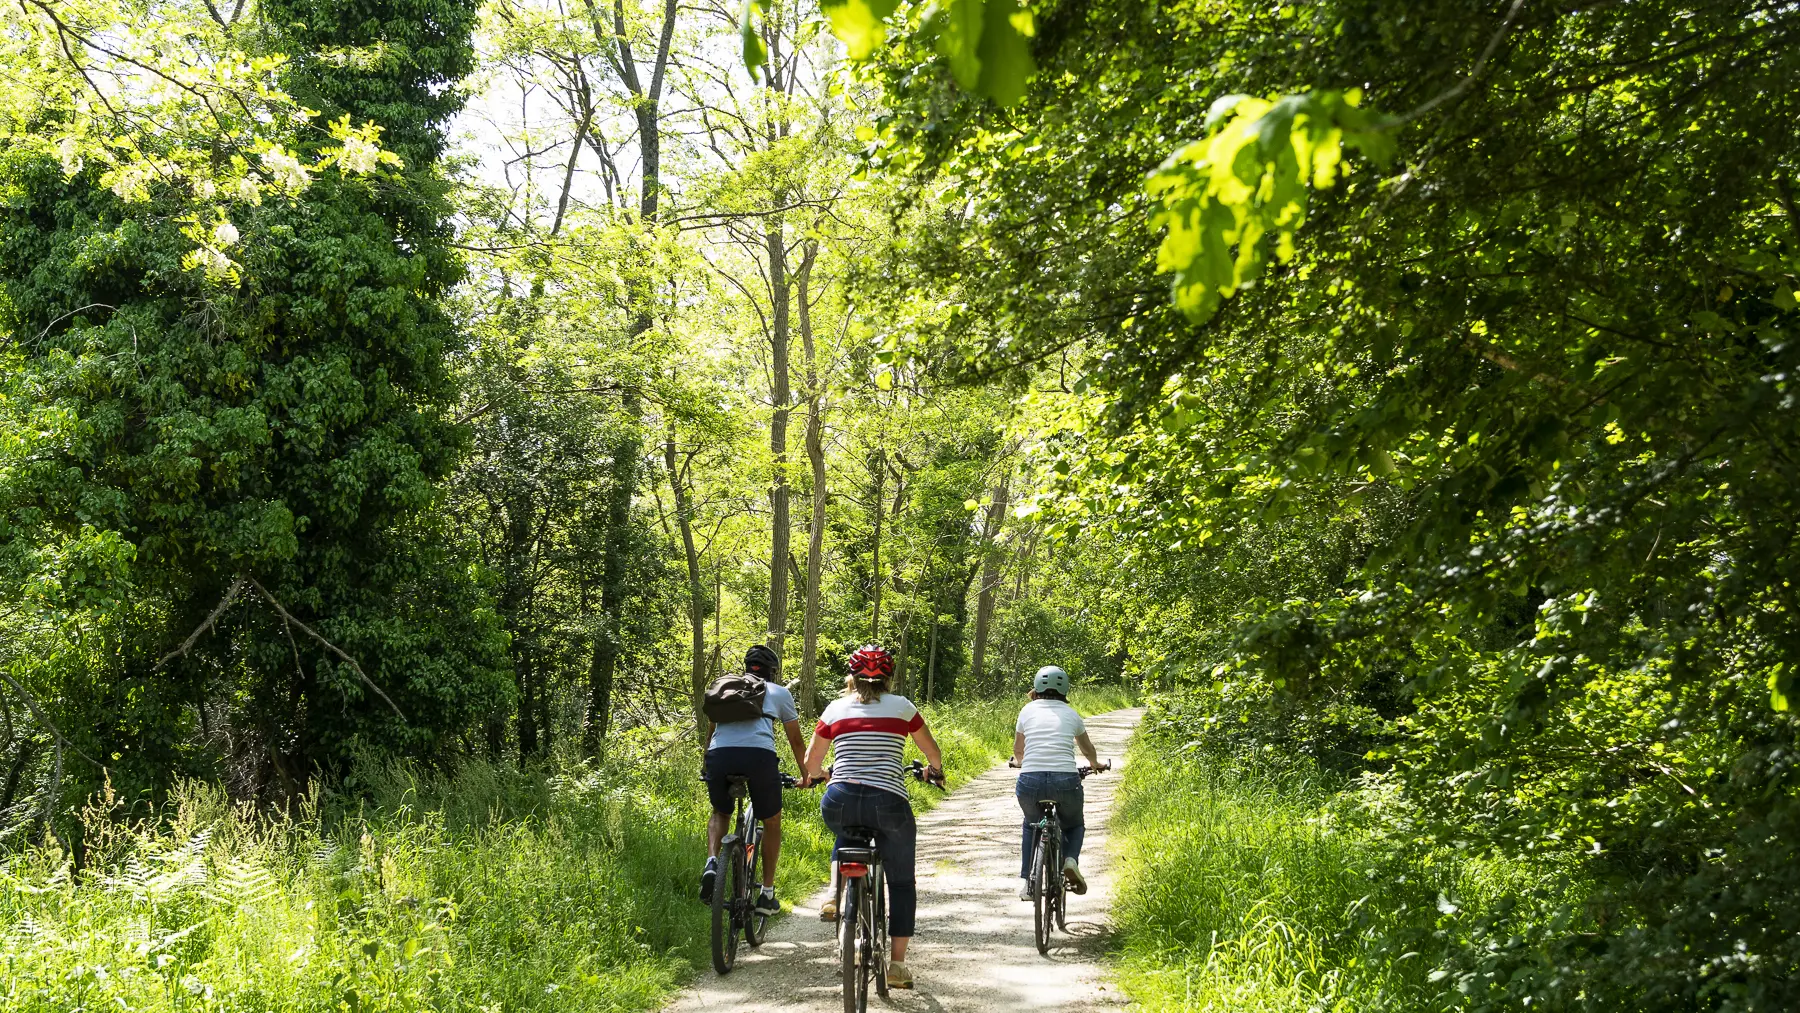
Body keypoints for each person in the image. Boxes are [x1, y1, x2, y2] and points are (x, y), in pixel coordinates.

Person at [802, 644, 943, 991]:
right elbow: (932, 751)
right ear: (889, 678)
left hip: (840, 799)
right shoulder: (903, 708)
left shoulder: (835, 709)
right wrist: (934, 771)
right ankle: (896, 965)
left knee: (846, 831)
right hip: (889, 802)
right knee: (900, 881)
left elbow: (810, 763)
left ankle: (836, 894)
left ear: (851, 678)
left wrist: (821, 774)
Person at [701, 643, 806, 917]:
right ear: (773, 671)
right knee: (772, 822)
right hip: (758, 757)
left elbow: (712, 732)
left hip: (719, 756)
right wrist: (807, 775)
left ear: (746, 667)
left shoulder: (725, 688)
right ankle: (767, 894)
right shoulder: (780, 693)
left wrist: (707, 765)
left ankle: (712, 862)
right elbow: (795, 740)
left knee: (720, 812)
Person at [1009, 665, 1106, 900]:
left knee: (1031, 826)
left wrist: (1020, 762)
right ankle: (1070, 860)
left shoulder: (1027, 711)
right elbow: (1087, 749)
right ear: (1065, 689)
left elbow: (1018, 750)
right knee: (1073, 825)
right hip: (1065, 780)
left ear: (1037, 686)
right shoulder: (1072, 714)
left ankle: (1029, 883)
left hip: (1030, 780)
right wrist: (1094, 764)